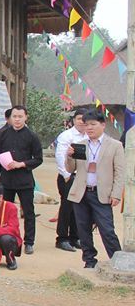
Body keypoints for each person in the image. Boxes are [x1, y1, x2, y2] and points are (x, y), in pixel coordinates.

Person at [66, 111, 126, 269]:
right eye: (86, 125)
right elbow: (70, 169)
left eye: (93, 124)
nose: (89, 128)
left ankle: (117, 260)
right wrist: (69, 156)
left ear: (103, 125)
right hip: (81, 192)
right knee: (83, 230)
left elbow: (120, 172)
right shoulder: (80, 145)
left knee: (107, 229)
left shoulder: (115, 145)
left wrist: (116, 194)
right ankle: (89, 261)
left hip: (102, 193)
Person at [0, 105, 43, 254]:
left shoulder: (32, 136)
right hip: (6, 179)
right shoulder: (2, 134)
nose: (17, 119)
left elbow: (38, 159)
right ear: (10, 118)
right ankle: (4, 237)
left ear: (26, 117)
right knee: (4, 211)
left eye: (20, 116)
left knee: (28, 212)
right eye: (14, 116)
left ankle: (29, 242)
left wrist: (22, 164)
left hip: (24, 179)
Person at [53, 109, 88, 252]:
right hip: (68, 176)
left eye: (84, 119)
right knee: (66, 208)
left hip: (83, 177)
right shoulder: (66, 135)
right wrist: (66, 174)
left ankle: (75, 237)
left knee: (79, 208)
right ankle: (62, 238)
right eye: (79, 118)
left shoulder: (89, 136)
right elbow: (60, 156)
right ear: (74, 120)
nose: (82, 121)